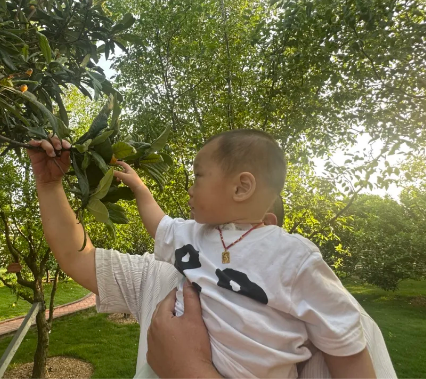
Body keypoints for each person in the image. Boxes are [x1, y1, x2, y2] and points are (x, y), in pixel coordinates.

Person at [27, 135, 396, 378]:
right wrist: (49, 183)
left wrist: (188, 370)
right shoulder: (169, 269)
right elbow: (76, 257)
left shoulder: (325, 307)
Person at [112, 129, 375, 378]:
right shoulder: (193, 234)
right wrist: (139, 189)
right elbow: (159, 225)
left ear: (241, 187)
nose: (190, 189)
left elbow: (345, 339)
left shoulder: (294, 256)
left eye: (198, 176)